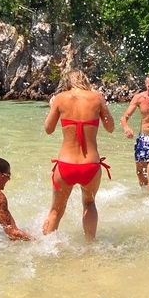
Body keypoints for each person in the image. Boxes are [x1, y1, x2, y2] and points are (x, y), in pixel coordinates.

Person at [42, 70, 115, 241]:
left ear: (67, 82)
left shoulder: (60, 98)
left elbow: (48, 129)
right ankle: (90, 244)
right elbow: (110, 128)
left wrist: (53, 106)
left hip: (65, 165)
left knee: (56, 211)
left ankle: (45, 248)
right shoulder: (97, 97)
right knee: (89, 204)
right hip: (90, 165)